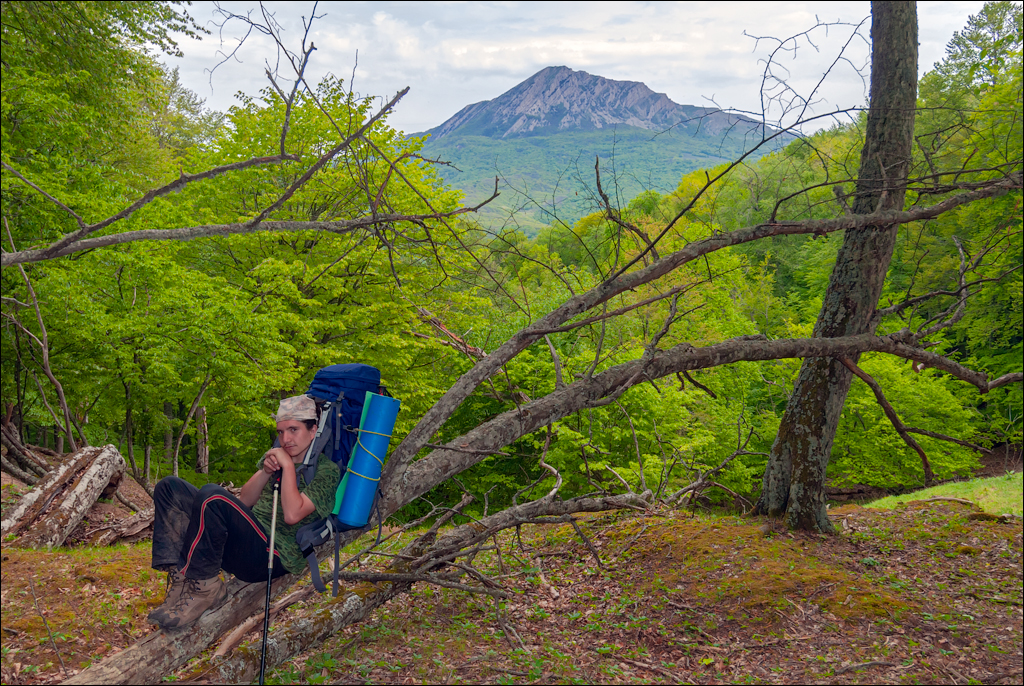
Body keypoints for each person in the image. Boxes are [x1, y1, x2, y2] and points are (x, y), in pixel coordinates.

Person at [147, 395, 339, 629]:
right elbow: (245, 500)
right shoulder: (276, 456)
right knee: (169, 487)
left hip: (272, 555)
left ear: (313, 430)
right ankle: (180, 579)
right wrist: (266, 471)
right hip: (245, 540)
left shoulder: (327, 472)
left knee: (213, 495)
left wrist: (288, 466)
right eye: (280, 432)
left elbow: (292, 515)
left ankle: (206, 587)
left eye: (293, 430)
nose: (286, 439)